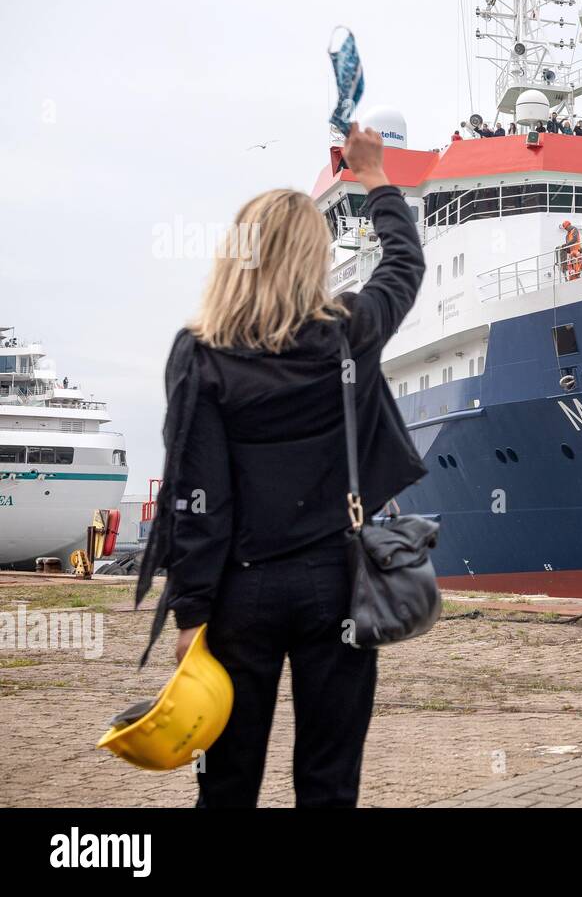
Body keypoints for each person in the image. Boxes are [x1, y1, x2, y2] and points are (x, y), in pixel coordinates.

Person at [136, 125, 427, 807]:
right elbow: (404, 266)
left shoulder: (201, 354)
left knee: (227, 783)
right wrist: (376, 177)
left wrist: (190, 614)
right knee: (329, 782)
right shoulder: (348, 332)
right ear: (313, 258)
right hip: (339, 586)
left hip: (241, 594)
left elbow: (197, 495)